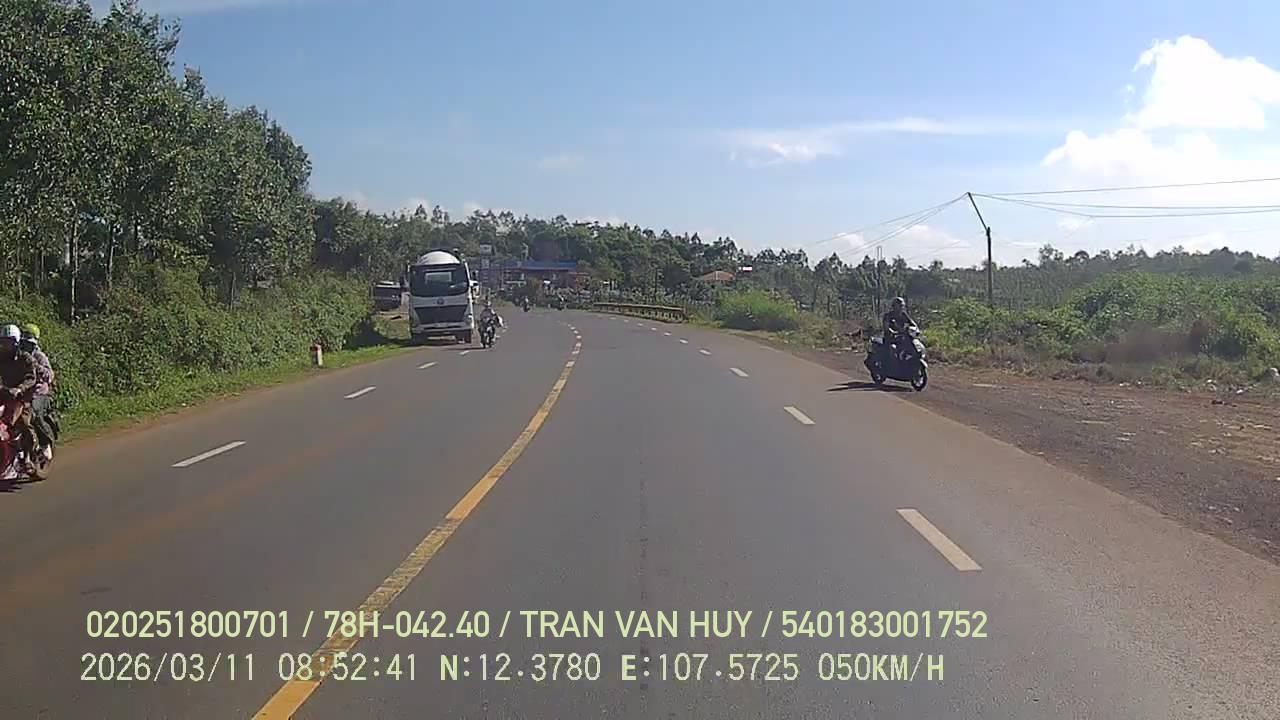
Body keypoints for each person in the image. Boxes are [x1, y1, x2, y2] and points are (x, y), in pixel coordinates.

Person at [0, 324, 38, 459]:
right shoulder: (1, 357)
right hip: (5, 393)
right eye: (3, 341)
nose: (5, 345)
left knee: (24, 422)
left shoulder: (26, 358)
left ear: (16, 342)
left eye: (9, 342)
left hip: (22, 397)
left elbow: (31, 378)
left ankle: (28, 456)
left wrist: (20, 388)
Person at [19, 323, 55, 460]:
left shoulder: (40, 356)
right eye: (24, 342)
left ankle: (45, 443)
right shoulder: (19, 356)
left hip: (39, 393)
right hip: (23, 392)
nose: (26, 346)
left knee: (34, 413)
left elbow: (50, 375)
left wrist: (37, 367)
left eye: (29, 343)